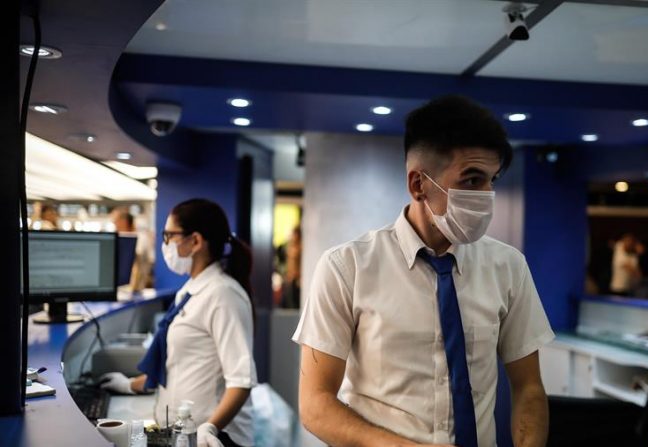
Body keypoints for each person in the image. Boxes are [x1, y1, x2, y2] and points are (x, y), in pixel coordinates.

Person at [293, 95, 555, 446]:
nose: (487, 195)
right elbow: (316, 404)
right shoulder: (347, 267)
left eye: (493, 180)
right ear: (419, 184)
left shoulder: (507, 266)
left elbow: (529, 388)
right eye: (473, 180)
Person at [100, 199, 257, 447]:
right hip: (183, 433)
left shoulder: (223, 294)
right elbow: (177, 364)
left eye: (169, 236)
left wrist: (211, 428)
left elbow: (242, 381)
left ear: (195, 241)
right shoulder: (190, 290)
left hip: (214, 438)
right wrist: (130, 385)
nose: (165, 245)